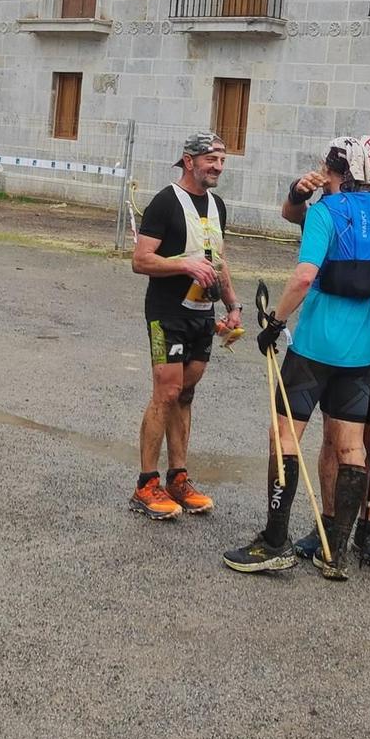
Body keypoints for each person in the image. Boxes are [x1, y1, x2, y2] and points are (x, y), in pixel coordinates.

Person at [224, 136, 370, 580]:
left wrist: (274, 321)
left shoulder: (326, 213)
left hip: (315, 344)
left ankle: (275, 542)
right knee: (353, 445)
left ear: (332, 172)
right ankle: (335, 551)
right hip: (364, 348)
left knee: (285, 436)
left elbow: (305, 275)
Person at [128, 131, 242, 521]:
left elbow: (219, 260)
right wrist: (183, 263)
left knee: (187, 393)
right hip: (167, 313)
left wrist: (233, 306)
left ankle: (179, 477)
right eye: (211, 159)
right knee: (167, 391)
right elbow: (141, 260)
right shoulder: (164, 201)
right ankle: (146, 484)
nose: (218, 167)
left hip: (202, 313)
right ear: (189, 160)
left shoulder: (218, 205)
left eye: (223, 161)